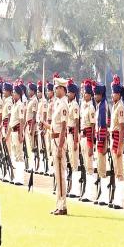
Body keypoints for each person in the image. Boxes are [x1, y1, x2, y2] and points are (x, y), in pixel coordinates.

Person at [43, 76, 69, 215]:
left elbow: (64, 127)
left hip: (59, 141)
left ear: (62, 89)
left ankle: (63, 206)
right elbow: (56, 126)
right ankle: (59, 204)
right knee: (57, 175)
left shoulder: (64, 104)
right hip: (54, 139)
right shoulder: (58, 103)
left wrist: (60, 147)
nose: (55, 89)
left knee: (60, 174)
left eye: (57, 87)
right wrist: (45, 125)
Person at [110, 75, 124, 209]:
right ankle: (116, 198)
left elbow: (121, 128)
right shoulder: (114, 106)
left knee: (120, 170)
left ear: (119, 95)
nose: (112, 95)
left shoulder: (120, 107)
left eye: (115, 93)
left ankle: (119, 200)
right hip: (113, 137)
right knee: (116, 169)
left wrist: (120, 145)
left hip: (117, 139)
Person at [79, 79, 96, 202]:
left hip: (88, 138)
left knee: (90, 166)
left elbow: (93, 126)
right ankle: (87, 192)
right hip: (83, 137)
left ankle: (90, 194)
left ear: (90, 95)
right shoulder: (83, 106)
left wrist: (91, 144)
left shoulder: (91, 107)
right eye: (83, 92)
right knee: (85, 165)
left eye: (86, 93)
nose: (84, 94)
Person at [94, 82, 110, 206]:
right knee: (100, 167)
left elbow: (104, 126)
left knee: (103, 168)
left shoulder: (104, 106)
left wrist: (104, 144)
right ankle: (102, 194)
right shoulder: (99, 105)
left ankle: (105, 196)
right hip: (98, 138)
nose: (95, 96)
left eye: (96, 94)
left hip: (102, 140)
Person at [6, 84, 25, 185]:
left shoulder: (20, 105)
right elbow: (11, 122)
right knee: (14, 154)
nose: (13, 94)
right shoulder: (14, 105)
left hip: (17, 132)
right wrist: (7, 135)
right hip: (13, 132)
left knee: (19, 155)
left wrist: (21, 134)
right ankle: (16, 177)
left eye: (14, 93)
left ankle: (20, 178)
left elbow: (21, 120)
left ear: (19, 94)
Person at [66, 79, 80, 198]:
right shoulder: (69, 104)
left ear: (74, 94)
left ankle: (76, 189)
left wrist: (75, 140)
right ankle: (73, 188)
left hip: (73, 134)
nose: (68, 94)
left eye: (70, 92)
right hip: (68, 134)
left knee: (75, 162)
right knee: (71, 161)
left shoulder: (75, 105)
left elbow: (76, 123)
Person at [0, 81, 14, 182]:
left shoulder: (9, 102)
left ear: (9, 92)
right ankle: (6, 173)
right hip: (4, 127)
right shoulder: (6, 100)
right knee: (5, 151)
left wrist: (7, 132)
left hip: (7, 127)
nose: (3, 91)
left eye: (5, 90)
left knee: (8, 150)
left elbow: (9, 118)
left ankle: (10, 174)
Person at [24, 82, 38, 172]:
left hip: (31, 125)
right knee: (29, 146)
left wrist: (31, 128)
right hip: (28, 124)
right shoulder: (30, 100)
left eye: (29, 90)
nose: (28, 91)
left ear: (33, 91)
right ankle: (31, 165)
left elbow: (34, 115)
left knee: (32, 146)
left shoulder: (34, 101)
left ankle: (33, 166)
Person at [36, 81, 48, 175]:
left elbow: (44, 114)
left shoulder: (44, 102)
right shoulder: (40, 102)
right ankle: (42, 166)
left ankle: (47, 167)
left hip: (43, 126)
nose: (38, 93)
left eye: (39, 92)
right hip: (39, 125)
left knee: (45, 147)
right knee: (40, 147)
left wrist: (43, 126)